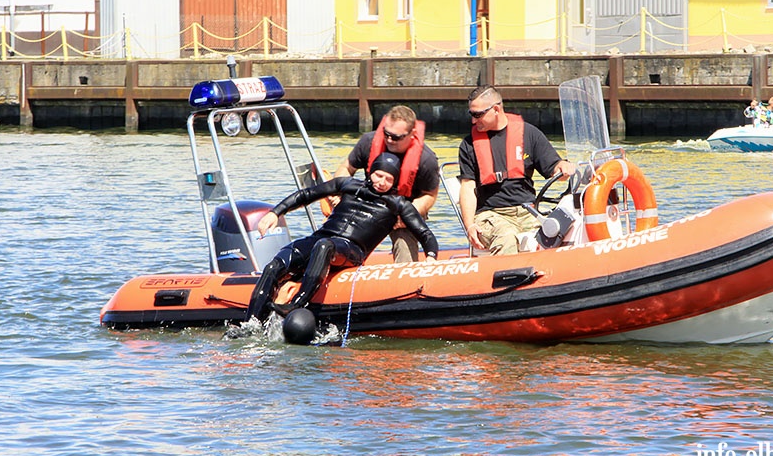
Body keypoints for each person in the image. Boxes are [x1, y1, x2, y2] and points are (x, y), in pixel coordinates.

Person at [246, 153, 438, 321]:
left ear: (395, 181)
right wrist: (275, 212)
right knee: (274, 266)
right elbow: (306, 195)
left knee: (324, 246)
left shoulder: (399, 204)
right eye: (379, 175)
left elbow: (425, 234)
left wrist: (431, 257)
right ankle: (251, 322)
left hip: (351, 249)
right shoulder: (347, 184)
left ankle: (296, 304)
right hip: (321, 238)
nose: (381, 182)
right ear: (370, 171)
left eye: (388, 179)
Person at [457, 84, 576, 255]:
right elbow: (467, 188)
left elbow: (555, 168)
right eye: (471, 115)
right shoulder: (468, 145)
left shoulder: (529, 134)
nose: (473, 121)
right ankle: (506, 278)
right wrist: (470, 226)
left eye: (478, 115)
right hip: (491, 215)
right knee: (507, 238)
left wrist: (563, 167)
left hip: (528, 211)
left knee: (562, 231)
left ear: (496, 109)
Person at [333, 105, 439, 263]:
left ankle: (404, 278)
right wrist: (341, 194)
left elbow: (430, 195)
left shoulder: (426, 160)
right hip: (367, 203)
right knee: (338, 235)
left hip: (403, 210)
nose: (389, 140)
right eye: (386, 134)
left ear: (411, 134)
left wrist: (407, 215)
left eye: (396, 137)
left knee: (405, 240)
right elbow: (346, 168)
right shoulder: (368, 142)